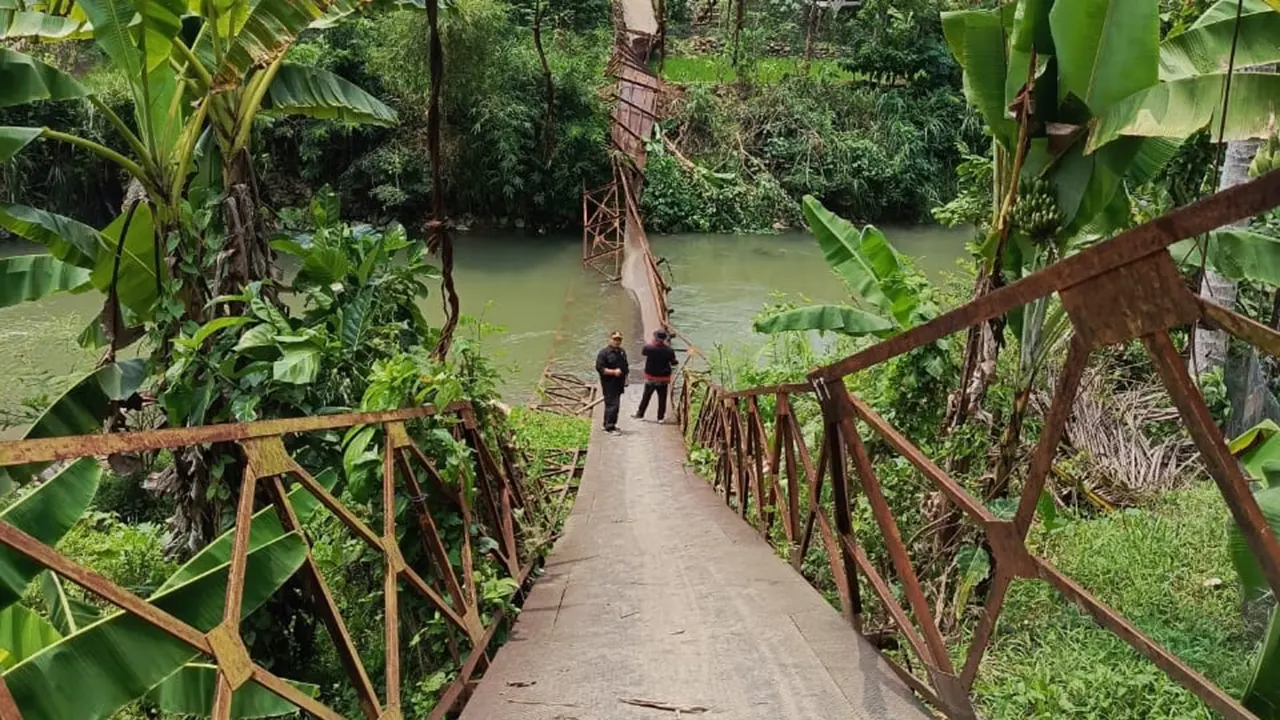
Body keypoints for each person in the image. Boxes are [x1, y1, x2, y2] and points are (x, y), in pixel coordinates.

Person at [634, 329, 678, 422]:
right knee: (662, 398)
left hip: (651, 377)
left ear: (655, 337)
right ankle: (660, 418)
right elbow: (673, 362)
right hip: (664, 378)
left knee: (646, 396)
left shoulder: (648, 348)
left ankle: (640, 415)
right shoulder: (669, 350)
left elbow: (643, 352)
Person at [595, 331, 629, 433]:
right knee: (612, 405)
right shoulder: (603, 353)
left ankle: (608, 424)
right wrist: (613, 372)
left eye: (619, 339)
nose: (617, 342)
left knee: (614, 404)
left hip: (619, 383)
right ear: (609, 340)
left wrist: (626, 378)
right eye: (615, 339)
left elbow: (625, 366)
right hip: (609, 383)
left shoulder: (622, 352)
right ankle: (609, 427)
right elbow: (600, 368)